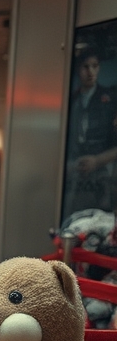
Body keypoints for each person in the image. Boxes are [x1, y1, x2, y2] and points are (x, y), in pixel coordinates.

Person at [63, 46, 117, 216]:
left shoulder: (110, 99)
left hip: (103, 176)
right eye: (86, 66)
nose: (91, 71)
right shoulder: (71, 101)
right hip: (75, 178)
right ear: (79, 69)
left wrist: (98, 160)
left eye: (95, 66)